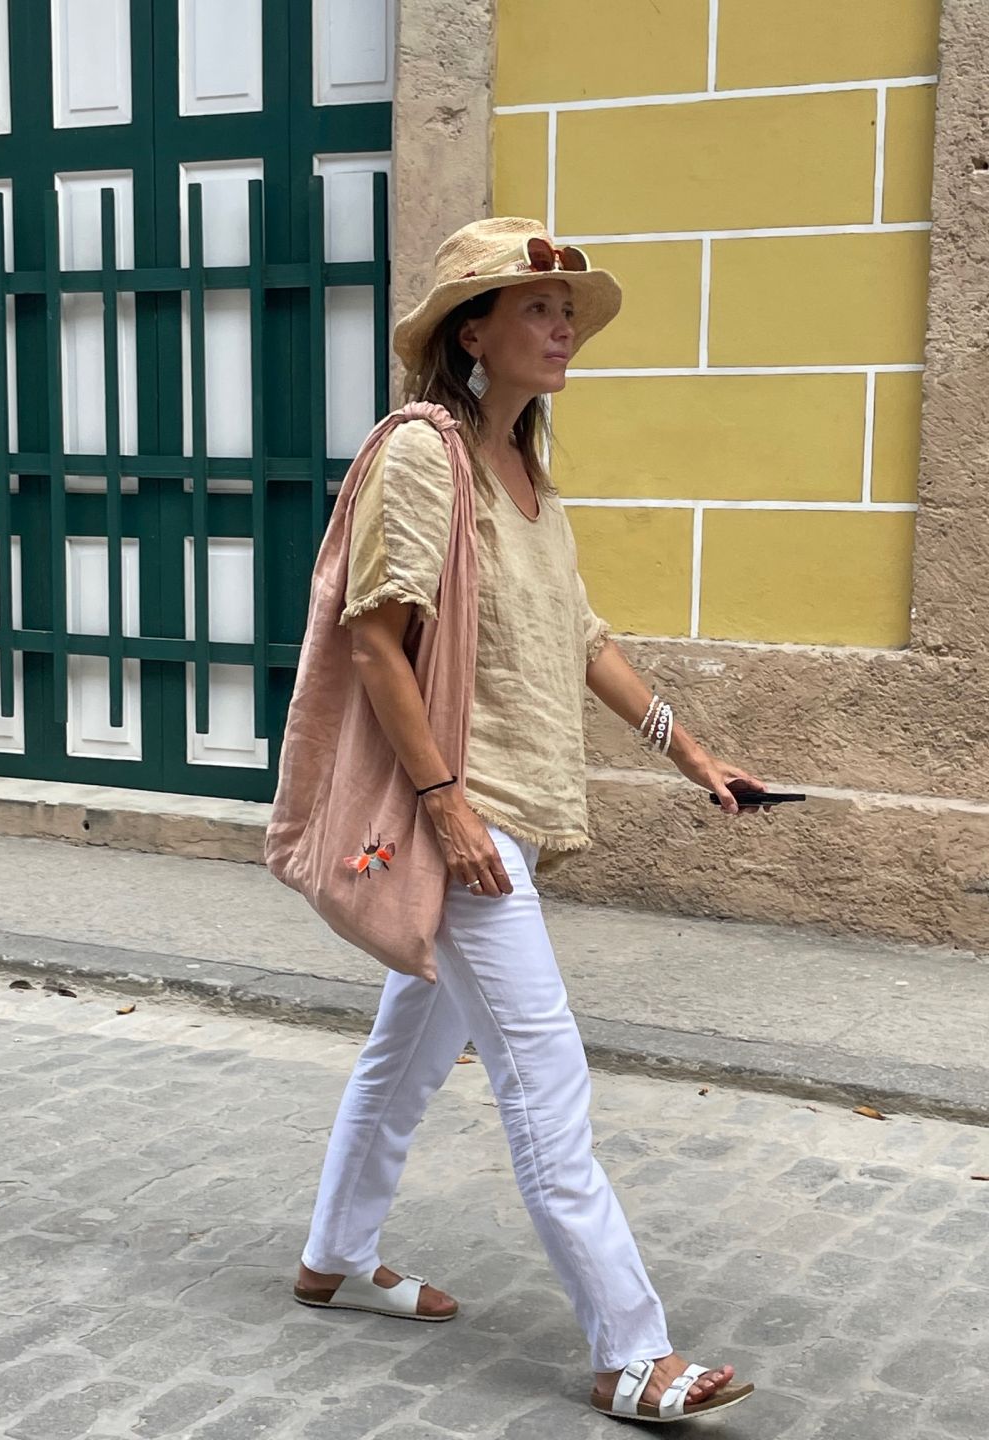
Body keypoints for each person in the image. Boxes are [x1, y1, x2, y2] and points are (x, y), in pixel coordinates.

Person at [289, 217, 763, 1424]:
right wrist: (445, 805)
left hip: (503, 817)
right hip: (468, 824)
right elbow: (375, 640)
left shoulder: (525, 474)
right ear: (471, 333)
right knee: (546, 1081)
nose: (563, 331)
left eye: (568, 313)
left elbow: (581, 638)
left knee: (404, 1055)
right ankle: (632, 1353)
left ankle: (333, 1255)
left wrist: (692, 753)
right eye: (537, 310)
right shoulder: (423, 454)